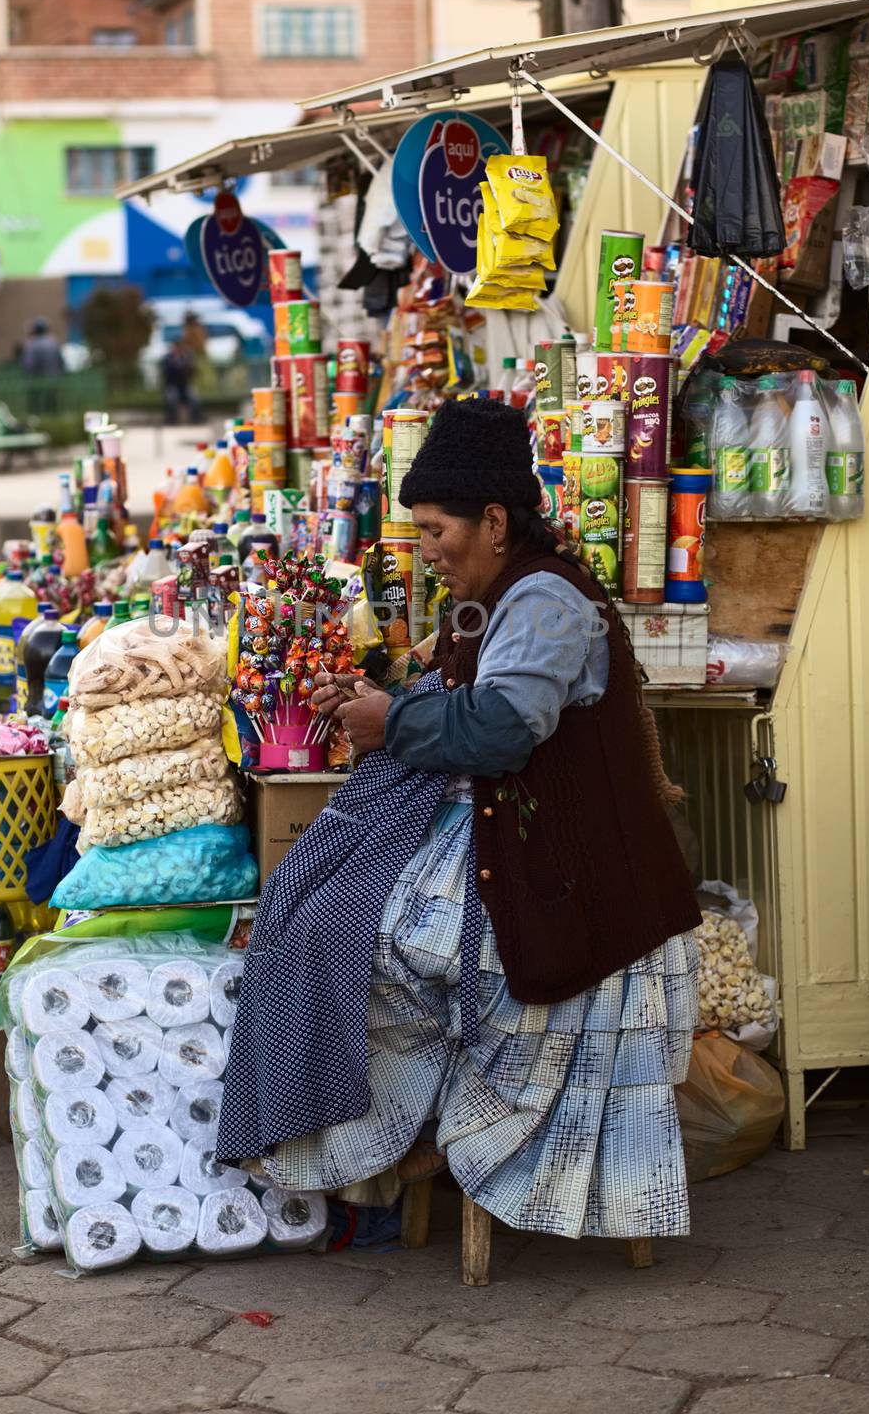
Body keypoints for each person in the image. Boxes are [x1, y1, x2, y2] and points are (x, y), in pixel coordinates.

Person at [218, 399, 701, 1240]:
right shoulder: (492, 597)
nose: (426, 549)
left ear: (492, 519)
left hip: (572, 880)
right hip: (515, 843)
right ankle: (381, 1159)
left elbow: (502, 731)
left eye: (437, 530)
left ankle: (410, 1148)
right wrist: (388, 702)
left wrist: (389, 722)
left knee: (357, 933)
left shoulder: (546, 601)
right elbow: (468, 700)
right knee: (310, 914)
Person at [162, 313, 204, 425]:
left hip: (185, 385)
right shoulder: (169, 359)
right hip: (173, 385)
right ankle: (172, 419)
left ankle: (196, 418)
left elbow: (192, 371)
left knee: (194, 397)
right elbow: (167, 374)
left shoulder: (186, 357)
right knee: (172, 398)